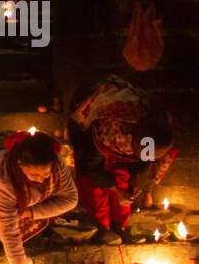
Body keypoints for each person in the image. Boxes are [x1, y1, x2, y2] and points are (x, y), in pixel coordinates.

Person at [69, 76, 178, 243]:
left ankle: (119, 224)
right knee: (93, 185)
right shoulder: (108, 134)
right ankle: (101, 225)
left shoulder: (158, 128)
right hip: (89, 118)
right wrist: (116, 190)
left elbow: (145, 162)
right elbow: (89, 168)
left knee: (123, 177)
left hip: (131, 128)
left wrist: (138, 186)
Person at [0, 132, 79, 264]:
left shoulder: (56, 162)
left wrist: (32, 212)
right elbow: (6, 223)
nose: (40, 180)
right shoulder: (4, 179)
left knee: (54, 207)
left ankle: (28, 228)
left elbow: (70, 198)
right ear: (20, 165)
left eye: (45, 174)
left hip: (27, 203)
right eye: (34, 175)